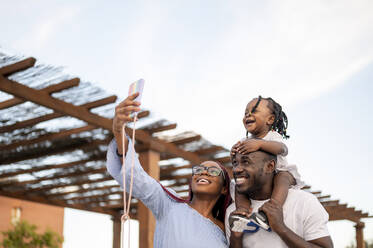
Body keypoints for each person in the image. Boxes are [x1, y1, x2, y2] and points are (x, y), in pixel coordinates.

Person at [106, 93, 232, 248]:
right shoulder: (169, 205)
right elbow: (137, 177)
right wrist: (119, 131)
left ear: (225, 188)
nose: (203, 172)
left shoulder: (226, 231)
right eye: (199, 169)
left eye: (213, 171)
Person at [226, 148, 334, 248]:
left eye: (246, 162)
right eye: (235, 163)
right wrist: (235, 238)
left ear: (270, 166)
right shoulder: (233, 211)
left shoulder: (304, 201)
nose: (236, 169)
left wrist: (281, 228)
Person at [230, 96, 304, 229]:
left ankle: (271, 210)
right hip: (258, 179)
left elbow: (283, 149)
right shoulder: (244, 140)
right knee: (238, 184)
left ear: (270, 119)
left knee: (283, 178)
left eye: (254, 111)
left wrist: (260, 144)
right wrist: (234, 152)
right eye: (246, 112)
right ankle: (242, 212)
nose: (248, 114)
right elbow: (240, 161)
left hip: (279, 172)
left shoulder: (272, 136)